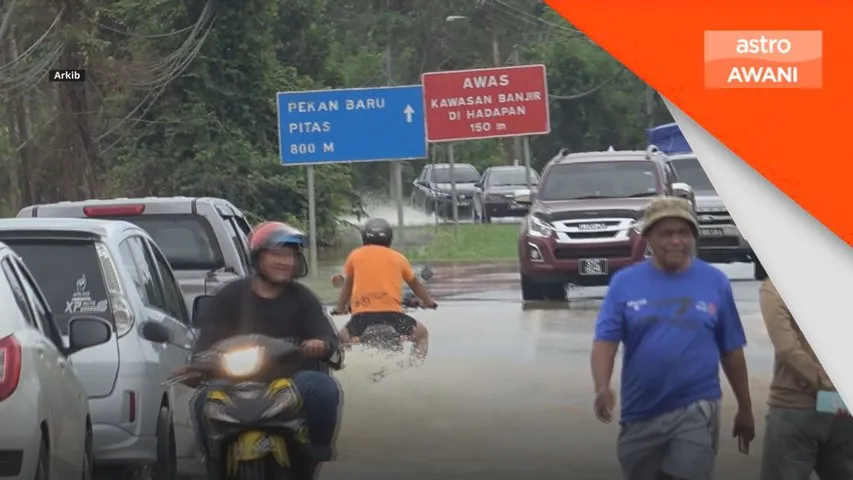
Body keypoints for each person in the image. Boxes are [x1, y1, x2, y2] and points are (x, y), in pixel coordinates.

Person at [590, 197, 755, 480]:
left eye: (683, 233)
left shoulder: (715, 281)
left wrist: (745, 408)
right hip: (640, 412)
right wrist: (602, 386)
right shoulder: (625, 283)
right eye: (666, 234)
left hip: (697, 406)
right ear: (648, 239)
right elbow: (605, 342)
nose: (676, 241)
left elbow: (731, 349)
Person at [175, 221, 342, 479]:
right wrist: (195, 366)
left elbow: (326, 336)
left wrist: (320, 344)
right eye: (276, 254)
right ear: (257, 257)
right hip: (230, 380)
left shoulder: (303, 298)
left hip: (290, 380)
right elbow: (205, 343)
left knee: (324, 390)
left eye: (289, 255)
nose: (284, 261)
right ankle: (212, 460)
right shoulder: (228, 296)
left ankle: (314, 453)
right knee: (200, 402)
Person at [759, 277, 853, 479]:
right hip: (840, 405)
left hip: (795, 404)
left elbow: (787, 347)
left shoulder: (776, 285)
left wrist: (823, 381)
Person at [333, 217, 436, 358]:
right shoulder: (399, 258)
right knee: (422, 335)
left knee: (340, 339)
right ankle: (414, 368)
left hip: (361, 318)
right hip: (393, 317)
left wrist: (340, 308)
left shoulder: (355, 255)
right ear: (389, 238)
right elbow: (415, 284)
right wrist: (428, 302)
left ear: (364, 237)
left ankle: (345, 371)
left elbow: (347, 287)